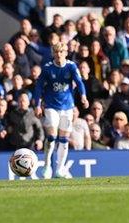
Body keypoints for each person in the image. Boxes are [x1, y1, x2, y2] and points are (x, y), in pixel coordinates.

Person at [34, 42, 88, 179]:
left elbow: (79, 82)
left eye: (61, 52)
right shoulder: (47, 68)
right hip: (51, 106)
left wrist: (83, 96)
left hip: (67, 107)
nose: (59, 55)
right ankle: (46, 167)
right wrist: (37, 104)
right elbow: (39, 87)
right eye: (56, 52)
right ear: (53, 53)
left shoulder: (71, 66)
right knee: (52, 136)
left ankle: (60, 169)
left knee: (64, 139)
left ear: (66, 53)